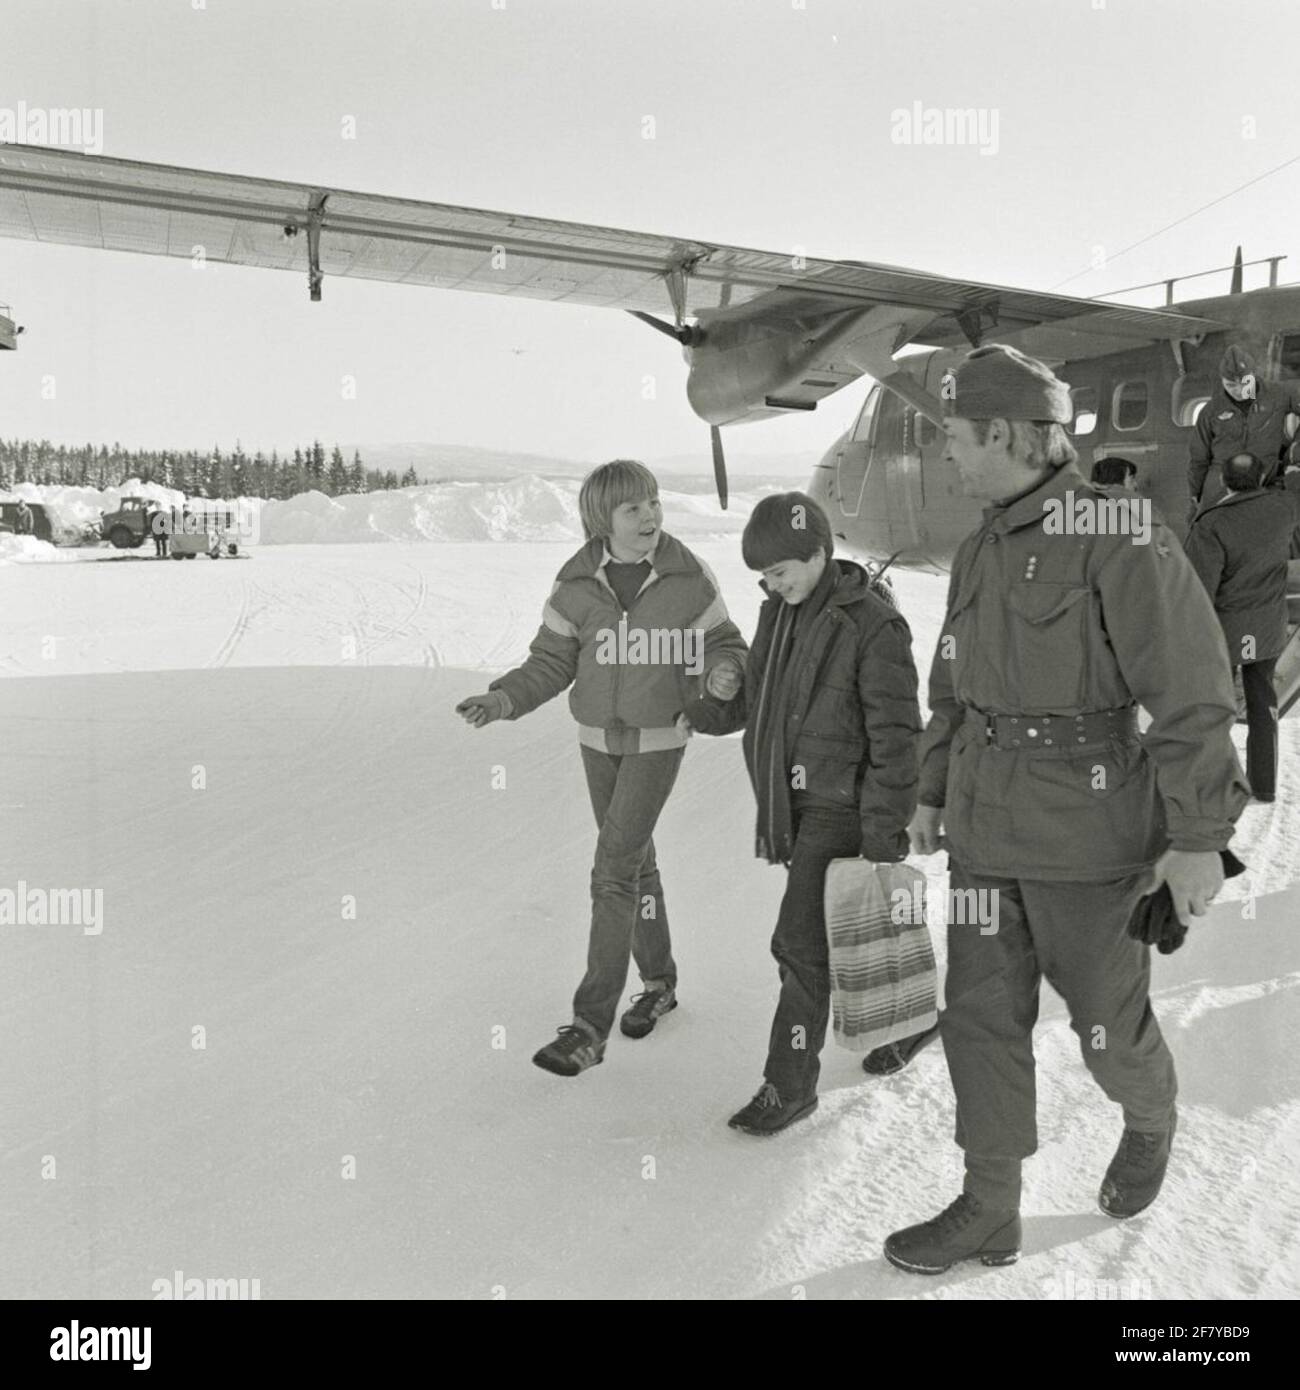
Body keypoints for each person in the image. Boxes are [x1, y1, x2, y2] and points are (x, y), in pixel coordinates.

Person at [885, 344, 1249, 1275]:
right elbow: (952, 684)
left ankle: (1150, 1114)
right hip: (983, 837)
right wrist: (932, 792)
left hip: (1090, 839)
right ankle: (988, 1208)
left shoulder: (1118, 530)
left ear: (1005, 433)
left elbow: (1191, 691)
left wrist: (1202, 838)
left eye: (957, 439)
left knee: (1105, 1028)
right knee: (977, 1017)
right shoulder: (978, 544)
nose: (949, 458)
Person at [455, 459, 747, 1077]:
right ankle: (660, 982)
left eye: (654, 503)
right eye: (633, 508)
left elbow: (726, 642)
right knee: (638, 864)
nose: (650, 517)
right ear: (601, 520)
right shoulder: (576, 584)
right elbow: (551, 662)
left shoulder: (686, 577)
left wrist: (724, 673)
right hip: (596, 742)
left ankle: (590, 1027)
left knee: (613, 872)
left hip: (659, 740)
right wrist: (505, 698)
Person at [684, 493, 924, 1134]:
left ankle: (788, 1086)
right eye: (763, 576)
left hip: (840, 811)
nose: (772, 583)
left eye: (782, 570)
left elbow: (898, 739)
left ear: (820, 553)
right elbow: (750, 709)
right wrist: (711, 699)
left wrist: (882, 835)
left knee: (800, 946)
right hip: (795, 806)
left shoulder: (871, 626)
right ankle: (914, 1020)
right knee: (852, 937)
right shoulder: (779, 617)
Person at [1184, 451, 1300, 804]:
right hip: (1266, 626)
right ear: (1263, 477)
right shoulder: (1283, 507)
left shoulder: (1211, 523)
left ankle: (1220, 785)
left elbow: (1200, 587)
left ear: (1223, 480)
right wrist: (1293, 471)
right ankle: (1263, 786)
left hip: (1225, 629)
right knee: (1263, 700)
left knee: (1215, 707)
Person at [1188, 344, 1300, 516]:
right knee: (1206, 528)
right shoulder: (1210, 411)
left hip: (1264, 482)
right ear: (1222, 381)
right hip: (1222, 485)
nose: (1239, 390)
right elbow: (1199, 457)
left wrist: (1293, 456)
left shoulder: (1279, 396)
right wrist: (1195, 492)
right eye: (1231, 385)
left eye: (1244, 383)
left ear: (1253, 375)